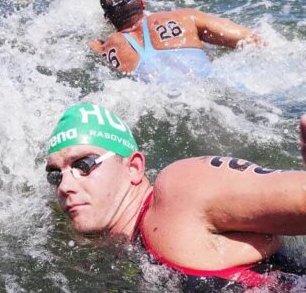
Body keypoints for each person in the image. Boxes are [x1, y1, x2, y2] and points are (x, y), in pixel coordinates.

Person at [46, 103, 306, 290]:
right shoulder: (112, 249)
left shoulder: (180, 191)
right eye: (56, 175)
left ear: (134, 167)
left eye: (84, 164)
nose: (65, 186)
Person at [87, 0, 261, 82]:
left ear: (107, 18)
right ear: (142, 3)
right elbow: (250, 39)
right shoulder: (184, 18)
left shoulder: (106, 49)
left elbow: (93, 46)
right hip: (216, 88)